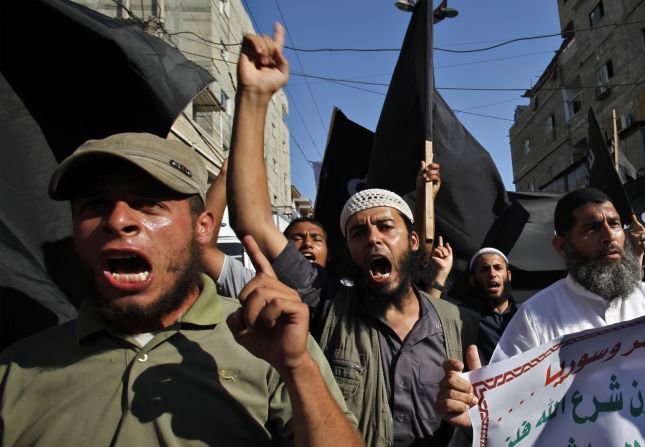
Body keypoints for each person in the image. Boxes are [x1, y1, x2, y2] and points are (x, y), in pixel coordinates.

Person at [0, 132, 363, 447]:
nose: (117, 221)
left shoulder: (269, 339)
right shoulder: (15, 370)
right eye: (95, 206)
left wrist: (298, 368)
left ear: (202, 228)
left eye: (147, 203)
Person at [226, 24, 480, 447]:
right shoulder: (326, 304)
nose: (374, 238)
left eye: (386, 227)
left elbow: (494, 414)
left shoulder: (455, 321)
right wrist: (254, 98)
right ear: (349, 249)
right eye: (359, 233)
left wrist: (472, 411)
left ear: (413, 241)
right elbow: (253, 221)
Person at [437, 187, 645, 432]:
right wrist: (477, 414)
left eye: (615, 224)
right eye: (592, 227)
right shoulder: (535, 318)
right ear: (561, 246)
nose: (609, 235)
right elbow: (506, 411)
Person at [201, 159, 329, 299]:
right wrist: (225, 176)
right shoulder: (255, 286)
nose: (308, 244)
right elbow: (203, 248)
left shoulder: (343, 299)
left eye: (316, 239)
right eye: (297, 238)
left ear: (329, 253)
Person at [465, 247, 517, 365]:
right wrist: (441, 272)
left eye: (498, 268)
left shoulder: (527, 313)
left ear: (508, 275)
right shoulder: (464, 317)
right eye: (484, 269)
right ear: (473, 280)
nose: (492, 274)